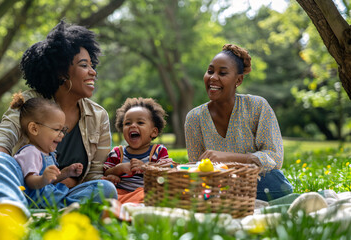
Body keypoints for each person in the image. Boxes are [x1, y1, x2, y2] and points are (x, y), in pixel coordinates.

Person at [0, 21, 117, 216]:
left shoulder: (99, 116)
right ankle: (10, 207)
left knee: (105, 188)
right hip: (23, 187)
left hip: (63, 194)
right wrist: (5, 166)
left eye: (92, 65)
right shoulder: (31, 101)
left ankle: (65, 212)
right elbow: (3, 140)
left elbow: (94, 174)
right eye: (84, 65)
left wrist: (65, 179)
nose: (93, 72)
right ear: (61, 73)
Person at [184, 44, 293, 201]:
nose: (213, 77)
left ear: (239, 80)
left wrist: (228, 157)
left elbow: (274, 158)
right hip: (218, 186)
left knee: (275, 182)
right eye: (210, 71)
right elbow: (195, 167)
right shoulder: (194, 118)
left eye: (222, 73)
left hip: (258, 183)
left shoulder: (257, 106)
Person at [10, 93, 87, 208]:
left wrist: (66, 172)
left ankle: (74, 204)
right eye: (56, 129)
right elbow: (30, 181)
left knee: (104, 186)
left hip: (53, 194)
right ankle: (76, 205)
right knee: (97, 192)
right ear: (34, 129)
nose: (61, 135)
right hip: (39, 199)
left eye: (63, 130)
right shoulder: (30, 152)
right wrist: (43, 179)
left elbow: (52, 180)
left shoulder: (49, 154)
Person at [103, 97, 176, 204]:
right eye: (127, 123)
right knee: (103, 186)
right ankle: (122, 204)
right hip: (121, 192)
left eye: (140, 122)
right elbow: (105, 172)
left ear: (154, 132)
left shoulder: (158, 151)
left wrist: (146, 167)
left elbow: (166, 171)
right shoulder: (117, 153)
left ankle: (126, 205)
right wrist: (116, 171)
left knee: (151, 193)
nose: (133, 125)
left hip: (145, 192)